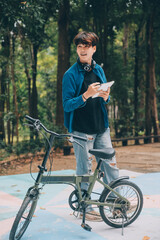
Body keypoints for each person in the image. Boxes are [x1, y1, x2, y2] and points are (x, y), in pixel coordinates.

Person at [62, 31, 119, 221]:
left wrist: (106, 96)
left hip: (101, 126)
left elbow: (105, 96)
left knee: (110, 164)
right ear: (77, 49)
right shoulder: (70, 74)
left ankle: (115, 202)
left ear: (93, 49)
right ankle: (84, 207)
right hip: (80, 129)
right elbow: (67, 104)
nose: (83, 50)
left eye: (86, 46)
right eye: (79, 46)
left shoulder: (98, 70)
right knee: (84, 168)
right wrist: (85, 95)